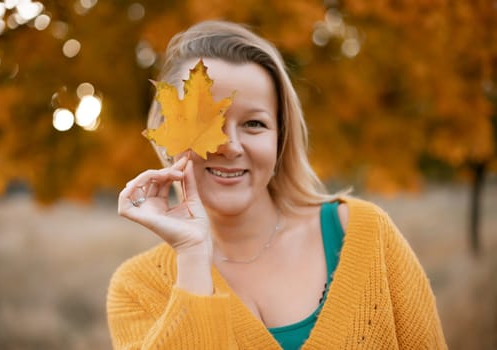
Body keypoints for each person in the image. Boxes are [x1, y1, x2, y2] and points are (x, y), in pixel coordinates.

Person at [107, 20, 446, 349]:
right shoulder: (137, 288)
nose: (231, 146)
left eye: (254, 123)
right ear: (168, 135)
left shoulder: (364, 234)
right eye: (205, 123)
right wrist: (193, 257)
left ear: (280, 139)